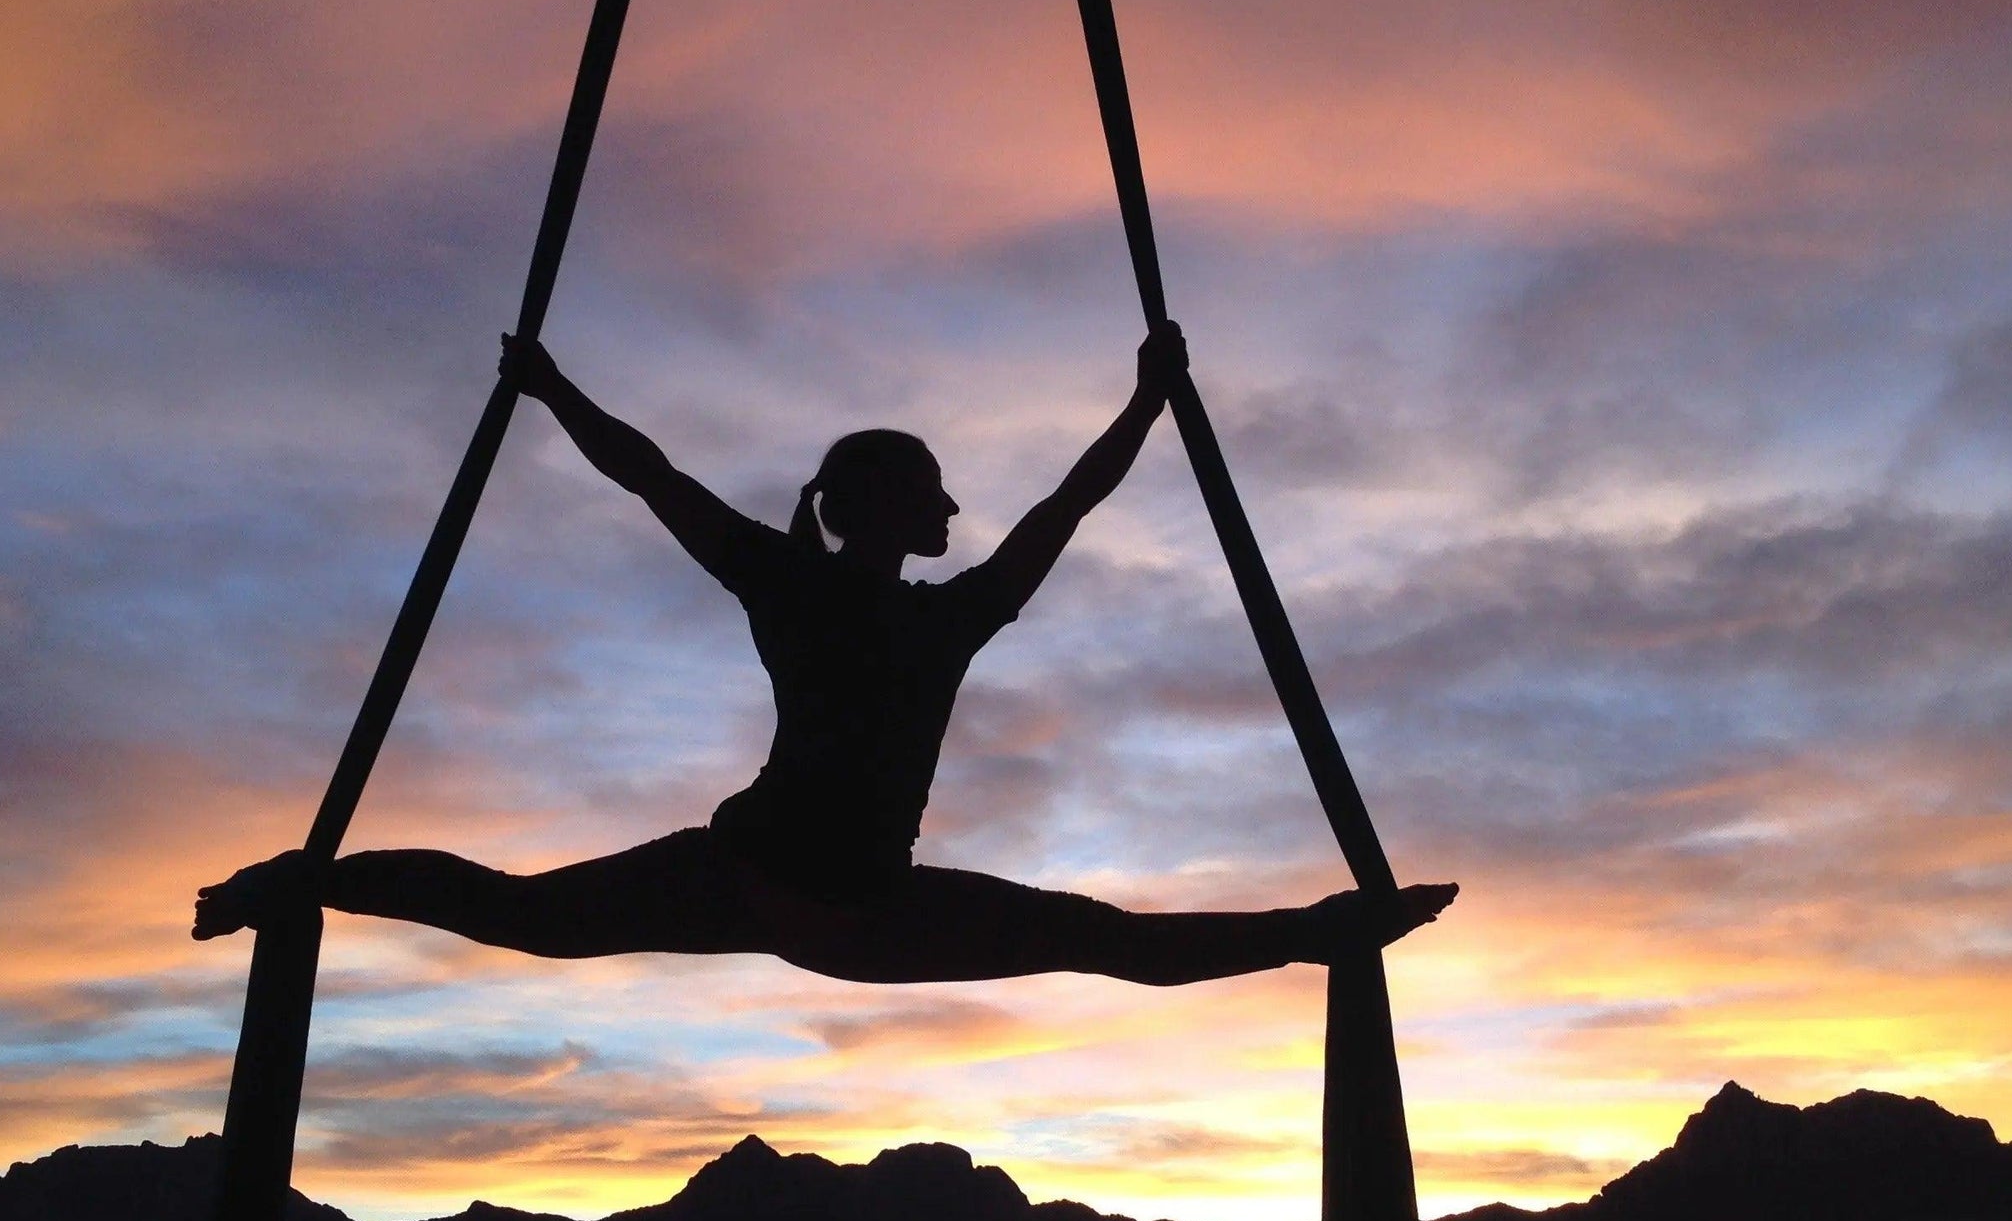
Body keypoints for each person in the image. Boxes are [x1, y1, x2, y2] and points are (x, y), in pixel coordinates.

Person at [195, 325, 1455, 986]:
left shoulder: (879, 599)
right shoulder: (870, 599)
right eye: (937, 494)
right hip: (791, 883)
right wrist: (547, 388)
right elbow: (655, 478)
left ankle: (1327, 930)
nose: (957, 512)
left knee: (1099, 936)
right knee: (1100, 938)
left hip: (824, 892)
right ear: (887, 509)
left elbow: (1061, 505)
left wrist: (1148, 405)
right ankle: (301, 878)